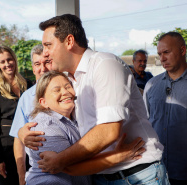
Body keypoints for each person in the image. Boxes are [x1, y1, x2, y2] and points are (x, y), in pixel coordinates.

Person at [19, 14, 169, 185]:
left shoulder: (104, 65)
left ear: (69, 41)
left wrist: (60, 160)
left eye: (48, 45)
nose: (45, 53)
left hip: (137, 174)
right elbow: (49, 112)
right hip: (102, 175)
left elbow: (108, 131)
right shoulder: (70, 80)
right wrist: (23, 132)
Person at [25, 70, 145, 185]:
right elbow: (69, 166)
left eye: (67, 87)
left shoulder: (74, 117)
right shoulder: (46, 125)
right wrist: (118, 156)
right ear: (43, 102)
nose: (65, 92)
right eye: (57, 90)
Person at [143, 32, 187, 185]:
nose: (162, 59)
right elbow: (145, 124)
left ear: (182, 51)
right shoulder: (151, 85)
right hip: (155, 173)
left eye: (166, 52)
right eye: (160, 54)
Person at [0, 45, 32, 185]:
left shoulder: (27, 84)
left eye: (9, 59)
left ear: (14, 60)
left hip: (28, 145)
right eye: (2, 62)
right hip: (6, 149)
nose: (7, 64)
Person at [9, 44, 52, 185]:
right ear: (33, 68)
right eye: (37, 64)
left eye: (47, 62)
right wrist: (21, 177)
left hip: (71, 170)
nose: (43, 68)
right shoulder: (26, 98)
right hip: (39, 173)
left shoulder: (68, 91)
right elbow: (18, 139)